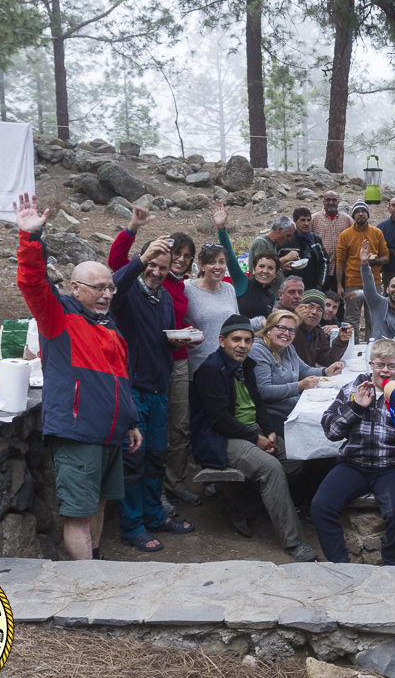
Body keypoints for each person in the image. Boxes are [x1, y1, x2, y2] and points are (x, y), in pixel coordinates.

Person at [14, 192, 141, 561]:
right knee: (79, 514)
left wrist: (131, 422)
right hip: (76, 433)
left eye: (110, 287)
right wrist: (30, 239)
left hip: (110, 434)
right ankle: (84, 588)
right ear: (75, 288)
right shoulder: (57, 319)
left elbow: (120, 381)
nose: (106, 294)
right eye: (98, 287)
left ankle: (94, 567)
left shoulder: (109, 326)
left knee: (99, 505)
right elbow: (33, 282)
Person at [190, 315, 317, 561]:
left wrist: (268, 431)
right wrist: (254, 437)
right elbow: (219, 420)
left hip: (252, 430)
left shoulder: (245, 366)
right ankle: (294, 542)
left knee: (295, 459)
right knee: (271, 468)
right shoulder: (210, 371)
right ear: (222, 341)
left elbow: (258, 404)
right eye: (236, 339)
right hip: (219, 438)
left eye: (247, 340)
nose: (242, 345)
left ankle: (242, 506)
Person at [106, 207, 202, 508]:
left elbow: (161, 335)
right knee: (137, 455)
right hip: (135, 384)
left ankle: (155, 511)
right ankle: (134, 523)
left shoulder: (163, 297)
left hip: (162, 380)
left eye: (163, 267)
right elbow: (115, 281)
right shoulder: (129, 291)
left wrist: (178, 340)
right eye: (152, 265)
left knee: (159, 450)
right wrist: (133, 231)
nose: (157, 272)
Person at [312, 339, 395, 565]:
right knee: (320, 506)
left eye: (391, 365)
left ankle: (393, 565)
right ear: (370, 365)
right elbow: (331, 431)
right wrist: (355, 407)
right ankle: (340, 564)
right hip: (354, 464)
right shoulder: (352, 390)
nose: (385, 370)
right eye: (379, 365)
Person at [250, 309, 344, 439]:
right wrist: (299, 386)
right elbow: (263, 391)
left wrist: (325, 371)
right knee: (316, 435)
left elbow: (304, 370)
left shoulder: (287, 348)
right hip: (272, 416)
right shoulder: (258, 350)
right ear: (269, 329)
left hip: (294, 409)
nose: (286, 333)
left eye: (291, 330)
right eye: (282, 328)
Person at [184, 242, 239, 377]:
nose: (217, 267)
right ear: (201, 265)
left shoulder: (229, 288)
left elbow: (237, 323)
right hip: (199, 367)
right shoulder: (187, 288)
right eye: (211, 262)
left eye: (221, 262)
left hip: (228, 366)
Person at [336, 199, 389, 336]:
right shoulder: (345, 235)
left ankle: (373, 348)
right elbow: (340, 261)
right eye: (357, 212)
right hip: (353, 283)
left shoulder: (377, 232)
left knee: (373, 317)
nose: (360, 214)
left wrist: (375, 261)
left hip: (373, 283)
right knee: (352, 318)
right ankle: (352, 347)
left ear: (368, 214)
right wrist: (339, 285)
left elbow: (386, 257)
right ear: (353, 216)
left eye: (363, 211)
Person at [294, 289, 352, 368]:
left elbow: (327, 361)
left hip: (309, 377)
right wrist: (295, 321)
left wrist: (341, 340)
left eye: (319, 309)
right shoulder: (288, 327)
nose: (314, 312)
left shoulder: (318, 333)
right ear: (300, 308)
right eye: (310, 307)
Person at [311, 190, 352, 291]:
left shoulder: (347, 219)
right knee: (320, 297)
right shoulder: (314, 219)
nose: (331, 202)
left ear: (338, 202)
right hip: (320, 268)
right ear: (323, 202)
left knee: (339, 300)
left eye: (334, 200)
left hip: (341, 268)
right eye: (328, 200)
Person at [285, 206, 329, 292]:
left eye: (308, 220)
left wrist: (320, 285)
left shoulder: (315, 239)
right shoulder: (287, 239)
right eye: (302, 220)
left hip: (313, 287)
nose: (306, 223)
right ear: (294, 221)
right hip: (291, 288)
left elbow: (325, 262)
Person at [248, 216, 299, 289]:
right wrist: (286, 258)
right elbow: (262, 268)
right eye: (288, 235)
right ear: (279, 230)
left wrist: (282, 266)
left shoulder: (273, 244)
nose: (289, 239)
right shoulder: (261, 242)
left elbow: (271, 266)